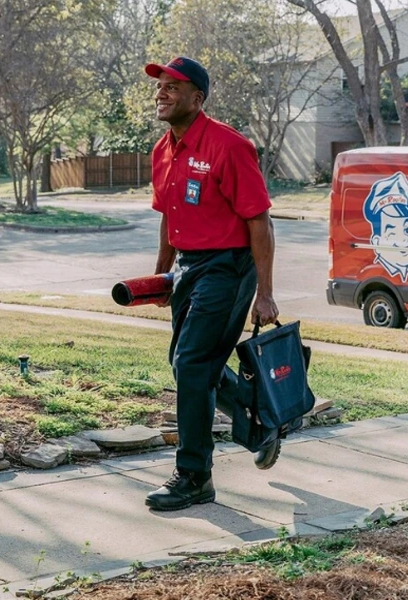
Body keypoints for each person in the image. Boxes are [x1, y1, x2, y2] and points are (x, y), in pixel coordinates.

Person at [143, 56, 280, 511]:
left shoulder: (230, 146)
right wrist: (163, 274)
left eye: (173, 87)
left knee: (193, 362)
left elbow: (259, 221)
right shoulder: (163, 150)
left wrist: (265, 291)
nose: (162, 92)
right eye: (160, 86)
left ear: (197, 98)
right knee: (185, 365)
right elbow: (168, 216)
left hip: (228, 267)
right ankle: (259, 423)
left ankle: (194, 476)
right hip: (188, 267)